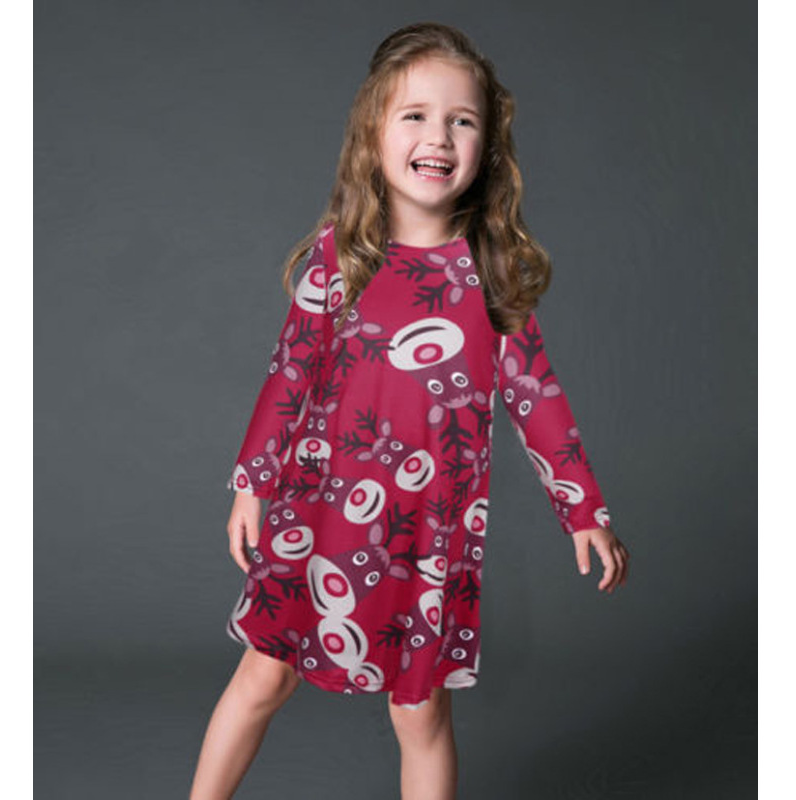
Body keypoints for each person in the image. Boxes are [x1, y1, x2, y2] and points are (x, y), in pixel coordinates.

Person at [189, 20, 630, 800]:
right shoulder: (340, 257)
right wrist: (252, 484)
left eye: (462, 121)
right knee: (264, 676)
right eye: (416, 115)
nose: (439, 136)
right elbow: (289, 375)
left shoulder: (490, 273)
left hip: (430, 536)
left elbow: (535, 394)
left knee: (419, 711)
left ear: (487, 146)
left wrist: (583, 511)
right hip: (317, 513)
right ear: (373, 133)